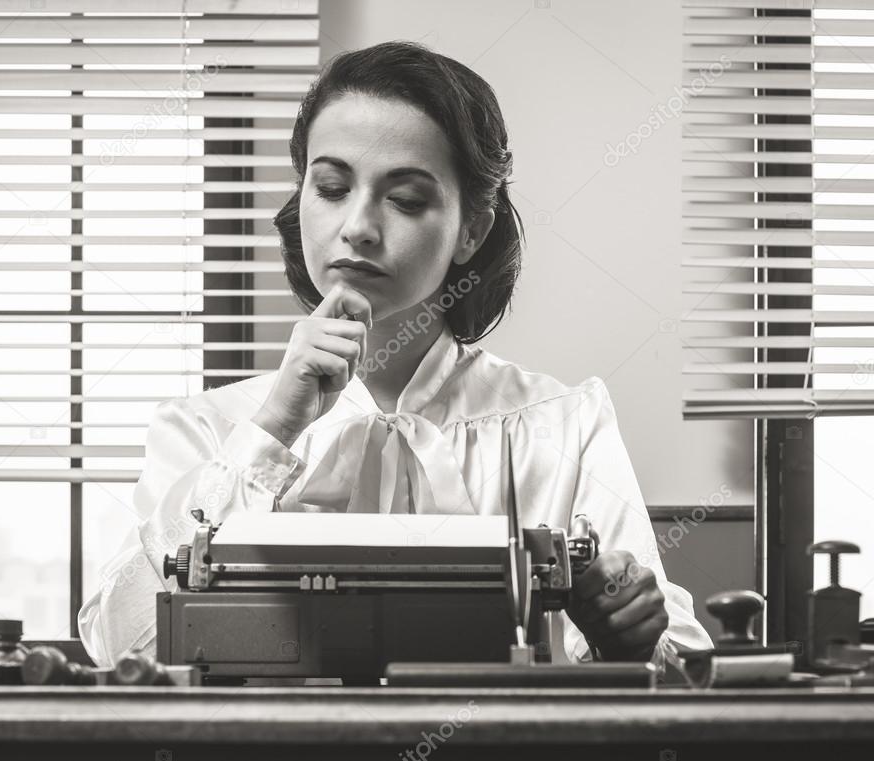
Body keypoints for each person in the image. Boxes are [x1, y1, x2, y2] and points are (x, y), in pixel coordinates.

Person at [78, 40, 713, 672]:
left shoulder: (564, 421)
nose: (357, 226)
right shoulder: (206, 427)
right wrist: (271, 432)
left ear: (471, 230)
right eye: (330, 187)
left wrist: (625, 635)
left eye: (405, 199)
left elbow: (682, 665)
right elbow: (119, 646)